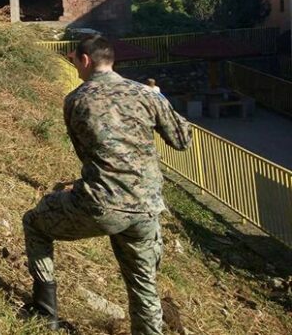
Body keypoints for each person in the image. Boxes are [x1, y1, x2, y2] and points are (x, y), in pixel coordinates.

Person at [22, 35, 191, 333]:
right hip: (147, 207)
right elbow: (182, 140)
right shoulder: (147, 95)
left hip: (101, 204)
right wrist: (161, 98)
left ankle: (45, 311)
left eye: (74, 59)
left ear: (86, 60)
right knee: (143, 284)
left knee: (34, 223)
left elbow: (87, 154)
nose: (74, 65)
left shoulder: (75, 100)